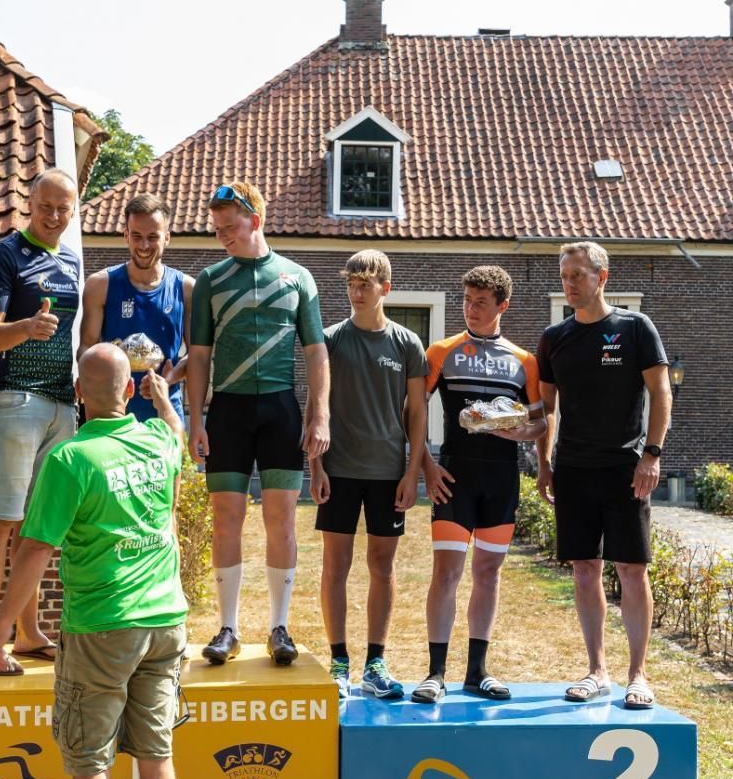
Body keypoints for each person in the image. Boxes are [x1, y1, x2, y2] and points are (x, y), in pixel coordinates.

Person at [0, 344, 187, 779]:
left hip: (102, 625)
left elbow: (35, 550)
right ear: (127, 391)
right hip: (167, 619)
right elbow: (176, 433)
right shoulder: (158, 441)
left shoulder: (71, 459)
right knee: (156, 753)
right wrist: (164, 400)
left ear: (77, 393)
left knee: (90, 763)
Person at [188, 182, 330, 667]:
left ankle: (279, 626)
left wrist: (320, 414)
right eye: (218, 229)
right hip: (227, 409)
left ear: (256, 220)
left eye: (231, 226)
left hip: (280, 409)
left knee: (282, 519)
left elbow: (316, 351)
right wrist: (196, 419)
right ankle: (227, 627)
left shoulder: (297, 277)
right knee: (227, 516)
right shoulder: (210, 279)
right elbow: (200, 355)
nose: (223, 235)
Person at [536, 241, 670, 709]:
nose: (569, 284)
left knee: (632, 569)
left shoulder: (635, 328)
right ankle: (597, 671)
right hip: (573, 469)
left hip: (625, 469)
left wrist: (651, 455)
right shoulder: (555, 338)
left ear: (602, 277)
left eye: (578, 275)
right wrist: (542, 460)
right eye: (565, 275)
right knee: (585, 569)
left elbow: (661, 392)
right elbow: (546, 409)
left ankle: (638, 675)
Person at [413, 266, 546, 704]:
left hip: (502, 479)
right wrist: (427, 465)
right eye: (467, 300)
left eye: (481, 302)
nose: (471, 309)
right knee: (446, 574)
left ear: (502, 306)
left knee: (488, 574)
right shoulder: (442, 351)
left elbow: (540, 423)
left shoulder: (524, 361)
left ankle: (477, 671)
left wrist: (514, 431)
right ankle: (435, 673)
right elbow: (410, 413)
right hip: (453, 477)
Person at [0, 168, 81, 674]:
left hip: (61, 403)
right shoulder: (5, 255)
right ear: (29, 205)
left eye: (64, 208)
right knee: (0, 521)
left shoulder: (74, 261)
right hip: (14, 399)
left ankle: (29, 633)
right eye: (46, 207)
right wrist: (27, 328)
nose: (55, 216)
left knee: (38, 528)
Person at [308, 250, 427, 699]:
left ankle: (376, 662)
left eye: (366, 285)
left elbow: (417, 414)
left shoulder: (407, 344)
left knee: (383, 565)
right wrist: (315, 465)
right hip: (338, 470)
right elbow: (315, 407)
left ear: (386, 289)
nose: (357, 293)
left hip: (387, 473)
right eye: (352, 285)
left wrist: (412, 471)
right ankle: (339, 662)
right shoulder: (331, 340)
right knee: (335, 565)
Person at [80, 192, 193, 422]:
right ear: (126, 236)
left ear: (167, 237)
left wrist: (168, 380)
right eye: (137, 236)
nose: (144, 245)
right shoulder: (100, 285)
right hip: (112, 417)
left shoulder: (187, 288)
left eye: (153, 237)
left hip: (165, 414)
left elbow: (198, 354)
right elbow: (86, 347)